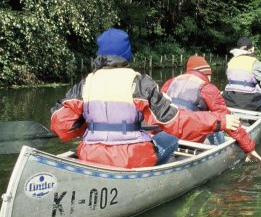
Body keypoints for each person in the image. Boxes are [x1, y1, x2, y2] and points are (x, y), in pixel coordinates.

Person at [50, 28, 241, 169]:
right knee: (171, 137)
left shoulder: (85, 84)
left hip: (90, 156)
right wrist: (220, 121)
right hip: (132, 158)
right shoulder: (140, 83)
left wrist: (91, 125)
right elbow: (177, 122)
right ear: (126, 55)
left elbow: (62, 127)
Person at [161, 55, 261, 163]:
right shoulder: (207, 88)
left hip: (166, 134)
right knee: (217, 125)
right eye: (209, 75)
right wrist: (249, 147)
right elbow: (228, 119)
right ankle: (222, 154)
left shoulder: (170, 83)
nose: (210, 79)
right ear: (206, 74)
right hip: (189, 138)